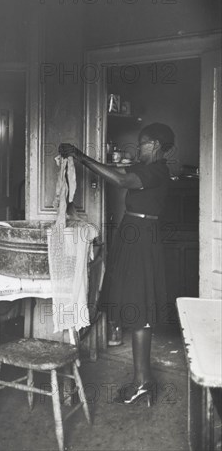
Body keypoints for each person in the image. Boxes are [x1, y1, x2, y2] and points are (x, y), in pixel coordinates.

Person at [59, 122, 175, 406]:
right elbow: (124, 174)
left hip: (143, 241)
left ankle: (142, 381)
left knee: (140, 307)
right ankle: (142, 379)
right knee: (132, 303)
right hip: (133, 236)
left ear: (156, 145)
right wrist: (78, 158)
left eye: (144, 144)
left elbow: (122, 180)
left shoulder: (158, 171)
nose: (140, 148)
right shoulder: (147, 169)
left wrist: (82, 157)